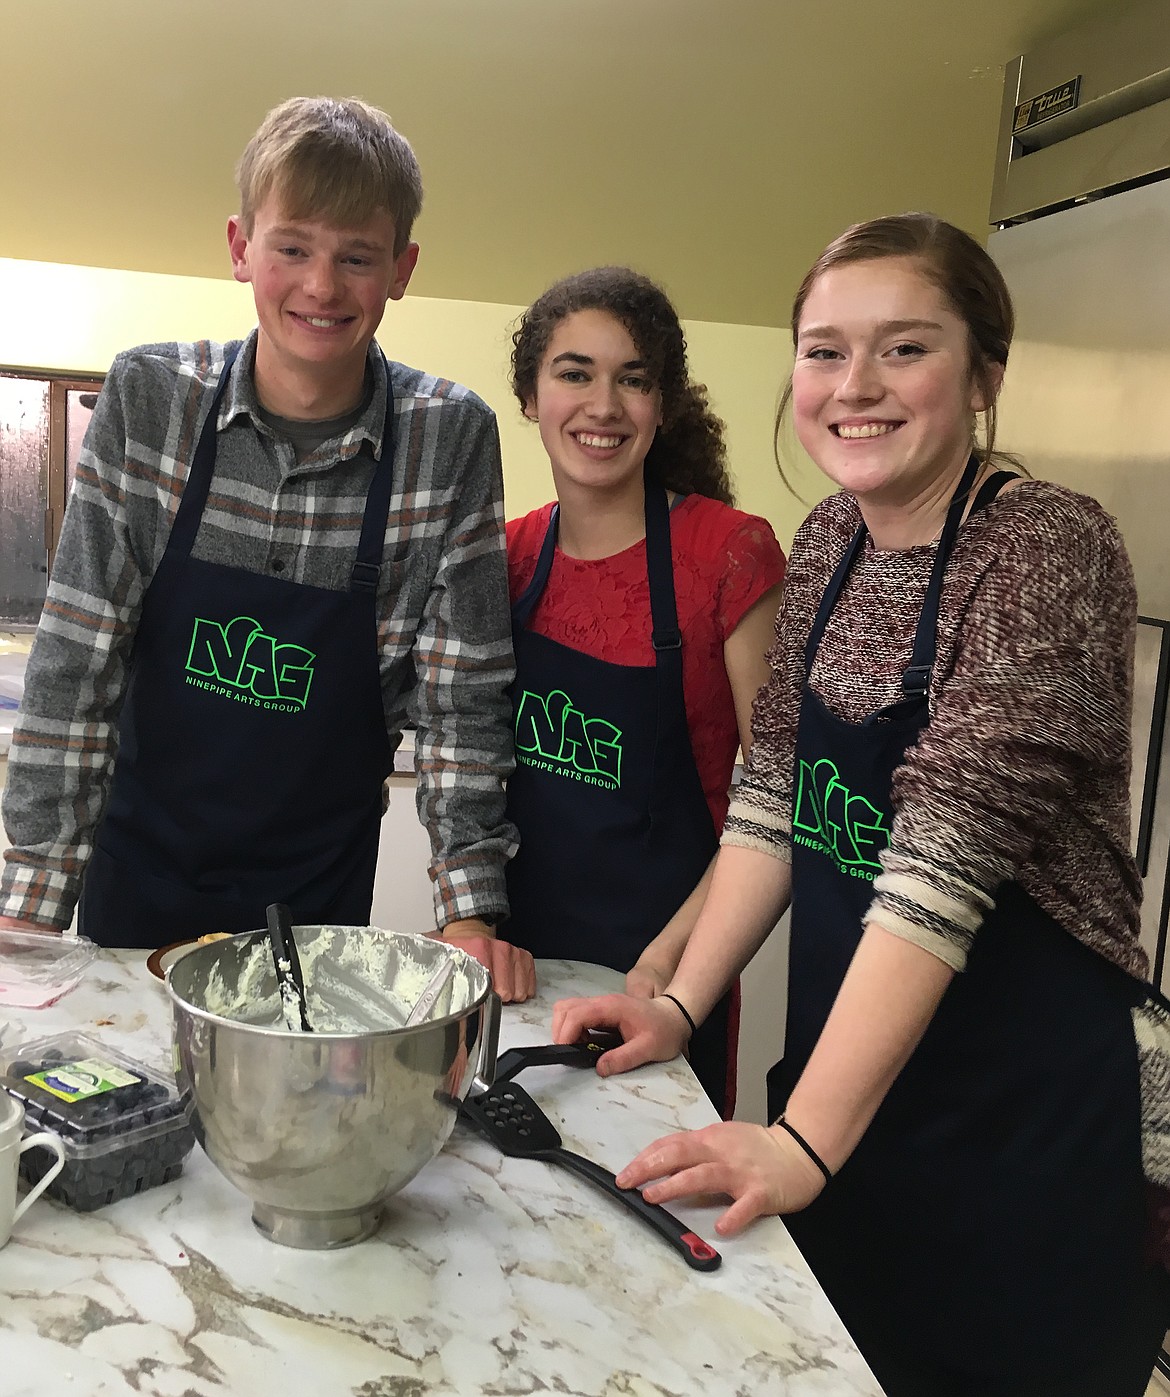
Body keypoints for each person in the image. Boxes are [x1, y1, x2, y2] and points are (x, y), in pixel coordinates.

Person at [552, 216, 1170, 1394]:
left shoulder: (1046, 548)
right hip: (861, 1106)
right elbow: (773, 798)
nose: (856, 387)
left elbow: (936, 875)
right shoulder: (830, 538)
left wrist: (800, 1140)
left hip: (1023, 1138)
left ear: (984, 373)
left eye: (904, 349)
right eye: (825, 350)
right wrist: (681, 1004)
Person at [0, 96, 534, 1001]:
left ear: (400, 269)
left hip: (317, 904)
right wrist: (28, 911)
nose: (321, 286)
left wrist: (468, 914)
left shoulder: (449, 438)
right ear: (241, 245)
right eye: (293, 248)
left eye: (356, 257)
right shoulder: (151, 397)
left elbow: (462, 703)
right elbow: (76, 662)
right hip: (137, 883)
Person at [501, 267, 784, 1113]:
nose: (604, 405)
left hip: (662, 981)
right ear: (530, 396)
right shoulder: (506, 556)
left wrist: (663, 978)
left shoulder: (728, 554)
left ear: (663, 406)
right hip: (520, 975)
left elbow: (777, 801)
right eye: (575, 372)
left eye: (634, 379)